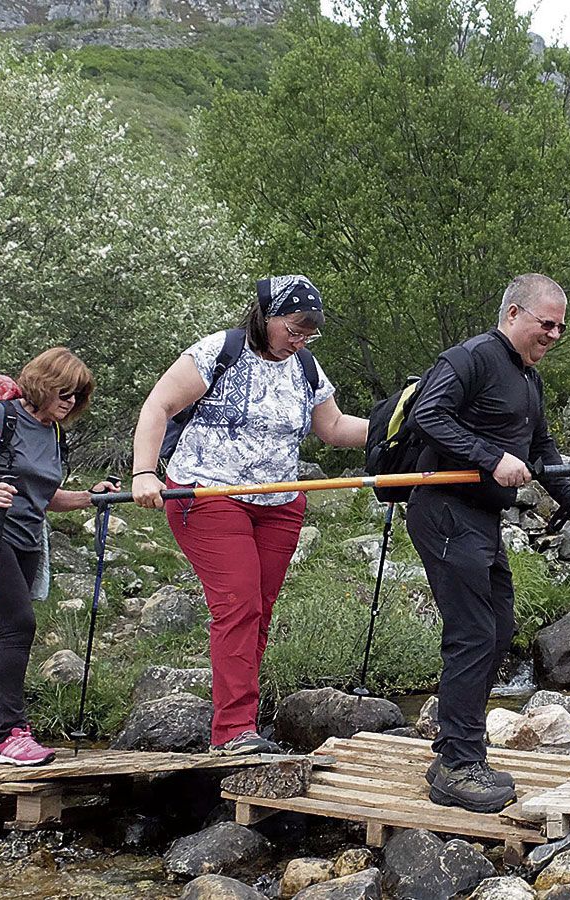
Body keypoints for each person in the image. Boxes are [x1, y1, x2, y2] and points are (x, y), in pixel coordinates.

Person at [130, 275, 367, 755]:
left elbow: (335, 428)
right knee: (237, 606)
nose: (300, 340)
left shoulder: (304, 365)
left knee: (257, 613)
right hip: (207, 494)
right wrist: (143, 473)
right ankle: (233, 731)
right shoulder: (219, 351)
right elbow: (158, 405)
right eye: (294, 330)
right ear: (268, 317)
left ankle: (244, 724)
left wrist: (403, 426)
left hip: (279, 504)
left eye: (309, 334)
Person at [407, 273, 570, 813]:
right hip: (445, 512)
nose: (555, 334)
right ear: (514, 314)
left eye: (562, 327)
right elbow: (428, 416)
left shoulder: (528, 379)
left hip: (481, 520)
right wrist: (489, 457)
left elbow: (542, 449)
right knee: (473, 633)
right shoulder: (469, 359)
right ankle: (458, 766)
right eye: (547, 323)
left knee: (498, 632)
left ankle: (455, 746)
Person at [0, 347, 117, 766]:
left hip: (26, 540)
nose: (71, 401)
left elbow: (46, 496)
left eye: (77, 395)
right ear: (44, 383)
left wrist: (89, 497)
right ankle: (9, 734)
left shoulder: (53, 432)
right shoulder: (3, 417)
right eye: (65, 391)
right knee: (18, 626)